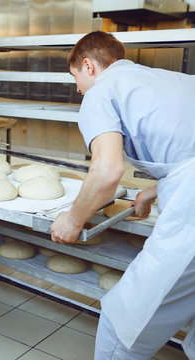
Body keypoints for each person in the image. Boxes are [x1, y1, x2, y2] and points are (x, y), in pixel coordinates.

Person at [50, 31, 195, 359]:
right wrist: (158, 188)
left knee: (124, 323)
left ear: (88, 66)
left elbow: (106, 171)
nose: (77, 88)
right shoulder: (172, 80)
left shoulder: (103, 91)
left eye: (75, 78)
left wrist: (72, 221)